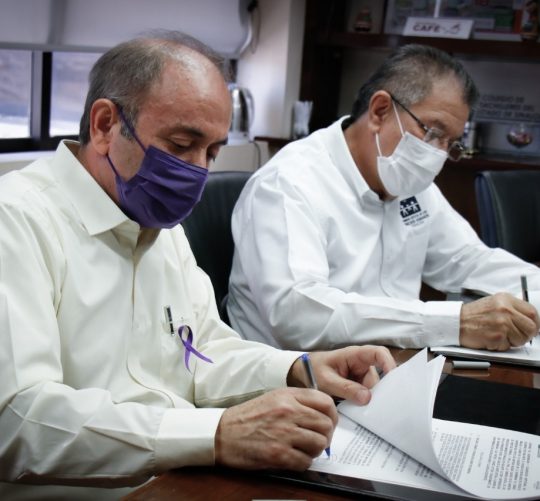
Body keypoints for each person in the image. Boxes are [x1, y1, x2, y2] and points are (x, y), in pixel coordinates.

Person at [0, 31, 397, 499]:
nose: (199, 171)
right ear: (106, 125)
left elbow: (201, 352)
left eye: (211, 151)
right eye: (181, 144)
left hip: (182, 478)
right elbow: (17, 418)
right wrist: (216, 434)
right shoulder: (16, 220)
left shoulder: (157, 222)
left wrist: (298, 367)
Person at [227, 43, 540, 352]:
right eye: (433, 133)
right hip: (297, 377)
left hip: (392, 368)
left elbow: (467, 260)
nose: (438, 154)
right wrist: (454, 323)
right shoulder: (289, 183)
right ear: (380, 111)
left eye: (450, 143)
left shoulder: (411, 184)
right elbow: (298, 315)